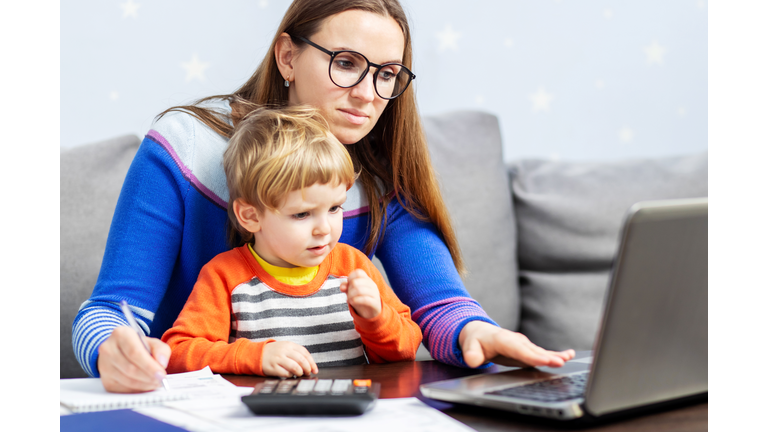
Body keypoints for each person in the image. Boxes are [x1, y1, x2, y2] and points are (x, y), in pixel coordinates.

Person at [72, 0, 574, 393]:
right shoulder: (184, 147)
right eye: (347, 63)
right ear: (288, 56)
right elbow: (108, 312)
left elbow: (440, 306)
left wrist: (474, 331)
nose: (367, 94)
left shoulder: (378, 174)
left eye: (385, 74)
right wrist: (113, 351)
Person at [160, 106, 422, 376]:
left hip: (349, 413)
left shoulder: (353, 266)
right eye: (302, 214)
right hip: (265, 414)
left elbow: (407, 348)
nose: (324, 229)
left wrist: (376, 318)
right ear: (250, 216)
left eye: (334, 208)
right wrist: (255, 356)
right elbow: (178, 352)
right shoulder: (225, 276)